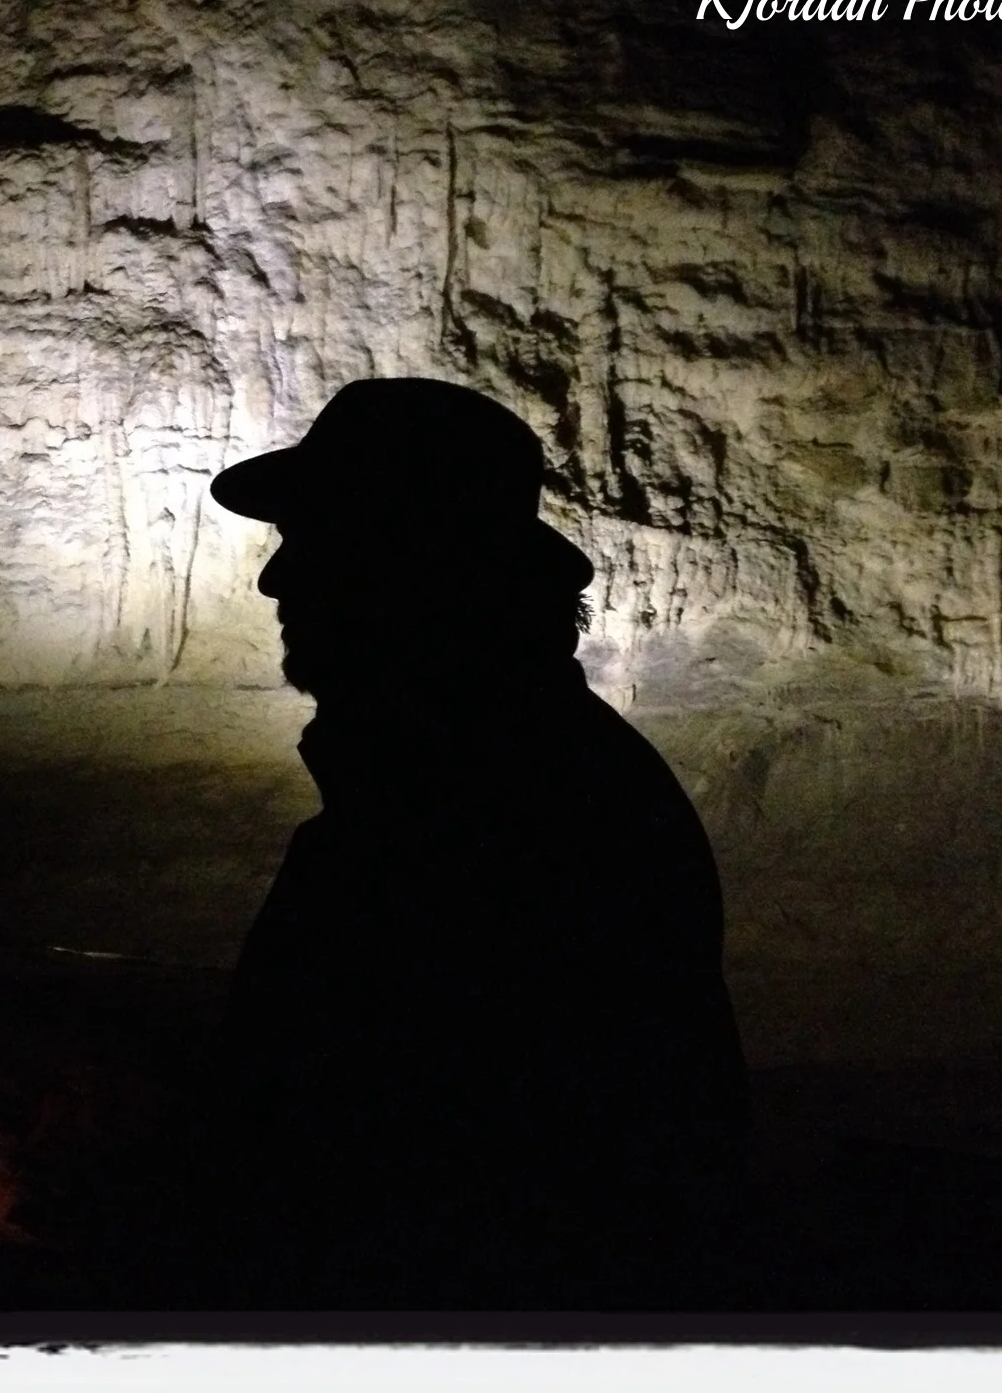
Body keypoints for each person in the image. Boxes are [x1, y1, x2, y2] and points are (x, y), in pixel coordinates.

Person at [197, 377, 751, 1309]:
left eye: (317, 539)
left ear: (415, 566)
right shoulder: (491, 774)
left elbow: (406, 1172)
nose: (275, 579)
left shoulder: (495, 820)